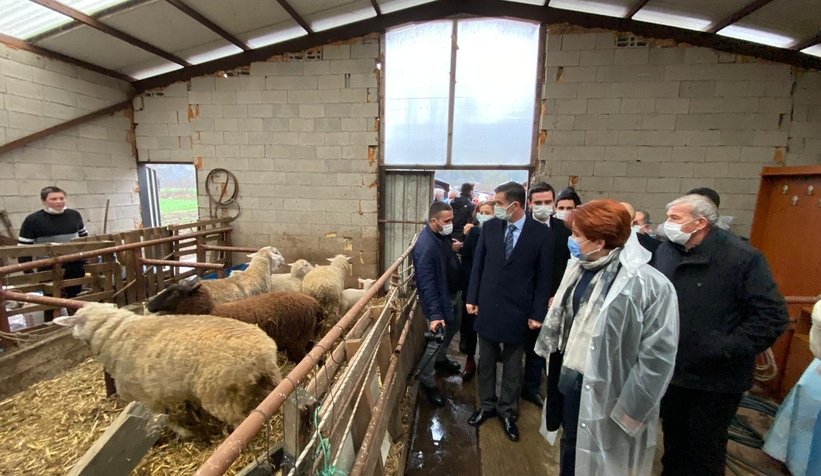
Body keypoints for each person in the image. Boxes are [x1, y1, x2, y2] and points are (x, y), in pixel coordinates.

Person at [535, 199, 679, 476]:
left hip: (613, 392)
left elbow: (657, 357)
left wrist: (633, 408)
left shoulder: (648, 285)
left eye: (577, 235)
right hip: (571, 379)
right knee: (571, 443)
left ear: (599, 242)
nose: (571, 240)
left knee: (605, 459)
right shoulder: (579, 268)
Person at [653, 194, 788, 476]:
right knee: (674, 439)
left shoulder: (742, 258)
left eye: (675, 218)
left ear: (699, 222)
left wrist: (721, 347)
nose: (668, 225)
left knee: (704, 448)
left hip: (716, 378)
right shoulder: (667, 252)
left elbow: (771, 318)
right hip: (672, 370)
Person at [465, 181, 553, 442]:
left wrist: (538, 313)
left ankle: (507, 410)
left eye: (499, 203)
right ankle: (487, 405)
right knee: (487, 361)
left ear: (515, 205)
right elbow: (478, 266)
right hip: (488, 305)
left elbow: (543, 277)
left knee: (514, 364)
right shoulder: (490, 227)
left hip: (518, 308)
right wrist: (472, 297)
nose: (495, 207)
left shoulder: (541, 234)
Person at [521, 182, 571, 408]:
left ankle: (530, 388)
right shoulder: (521, 228)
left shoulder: (564, 229)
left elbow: (568, 265)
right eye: (537, 203)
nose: (543, 206)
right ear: (529, 204)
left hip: (553, 296)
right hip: (523, 295)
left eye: (547, 202)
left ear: (553, 203)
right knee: (516, 345)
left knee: (539, 344)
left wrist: (557, 294)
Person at [413, 201, 463, 406]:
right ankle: (427, 382)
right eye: (447, 221)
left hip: (452, 294)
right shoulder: (426, 245)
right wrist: (434, 315)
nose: (452, 223)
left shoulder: (440, 236)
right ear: (434, 221)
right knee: (434, 342)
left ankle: (442, 358)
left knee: (454, 327)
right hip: (440, 300)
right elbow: (426, 282)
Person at [18, 186, 89, 316]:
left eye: (61, 198)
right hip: (48, 267)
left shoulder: (74, 215)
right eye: (54, 199)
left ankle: (76, 325)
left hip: (74, 265)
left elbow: (84, 237)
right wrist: (29, 273)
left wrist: (85, 260)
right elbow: (24, 248)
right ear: (44, 200)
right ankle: (52, 326)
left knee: (75, 297)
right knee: (51, 301)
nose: (59, 201)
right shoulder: (33, 220)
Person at [459, 201, 493, 381]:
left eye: (489, 212)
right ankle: (470, 359)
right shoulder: (474, 233)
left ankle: (488, 363)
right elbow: (466, 260)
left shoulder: (501, 234)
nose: (484, 215)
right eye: (482, 212)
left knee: (489, 326)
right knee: (470, 327)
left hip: (490, 288)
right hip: (472, 285)